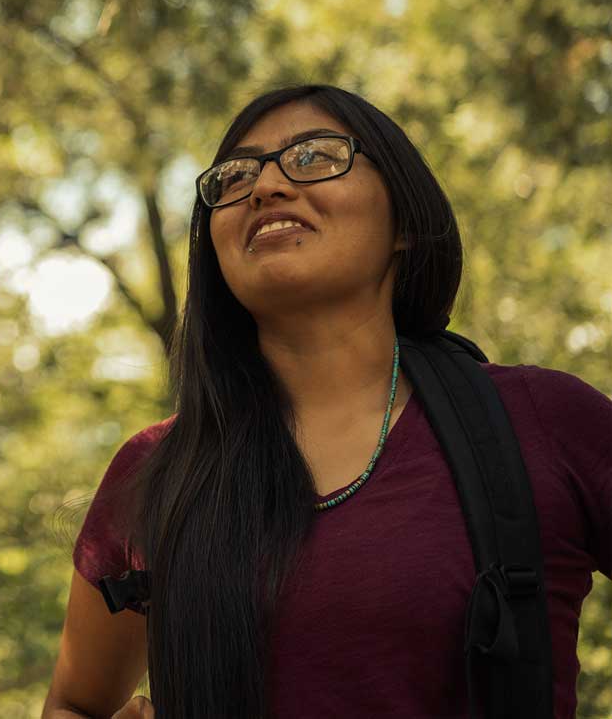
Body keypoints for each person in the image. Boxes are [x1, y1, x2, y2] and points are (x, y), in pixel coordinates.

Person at [41, 85, 612, 719]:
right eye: (235, 176)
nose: (264, 187)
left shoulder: (542, 420)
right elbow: (75, 703)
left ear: (403, 220)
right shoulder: (157, 469)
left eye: (313, 156)